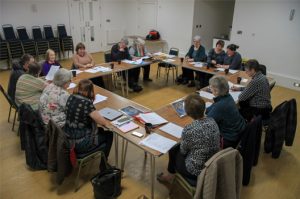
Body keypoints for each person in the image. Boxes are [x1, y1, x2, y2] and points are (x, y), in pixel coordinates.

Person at [157, 94, 220, 185]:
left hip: (195, 170)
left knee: (173, 149)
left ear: (187, 113)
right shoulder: (212, 120)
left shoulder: (189, 129)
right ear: (204, 108)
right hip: (212, 163)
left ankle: (169, 176)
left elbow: (183, 151)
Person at [64, 79, 113, 169]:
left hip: (68, 138)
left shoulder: (71, 97)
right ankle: (103, 166)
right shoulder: (86, 103)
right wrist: (110, 123)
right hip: (80, 143)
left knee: (101, 131)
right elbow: (102, 122)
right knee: (109, 134)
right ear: (90, 91)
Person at [206, 76, 246, 148]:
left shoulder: (220, 106)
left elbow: (207, 122)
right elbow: (213, 107)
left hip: (229, 139)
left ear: (216, 91)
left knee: (203, 134)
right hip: (238, 131)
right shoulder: (227, 96)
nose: (210, 88)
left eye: (210, 87)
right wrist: (205, 109)